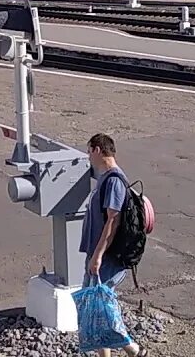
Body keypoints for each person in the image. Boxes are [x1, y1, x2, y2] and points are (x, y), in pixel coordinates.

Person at [79, 133, 147, 357]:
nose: (88, 156)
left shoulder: (114, 181)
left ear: (98, 150)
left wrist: (97, 255)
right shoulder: (105, 177)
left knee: (102, 308)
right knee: (96, 307)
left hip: (107, 258)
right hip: (99, 255)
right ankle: (125, 351)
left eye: (89, 151)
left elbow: (113, 220)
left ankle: (133, 349)